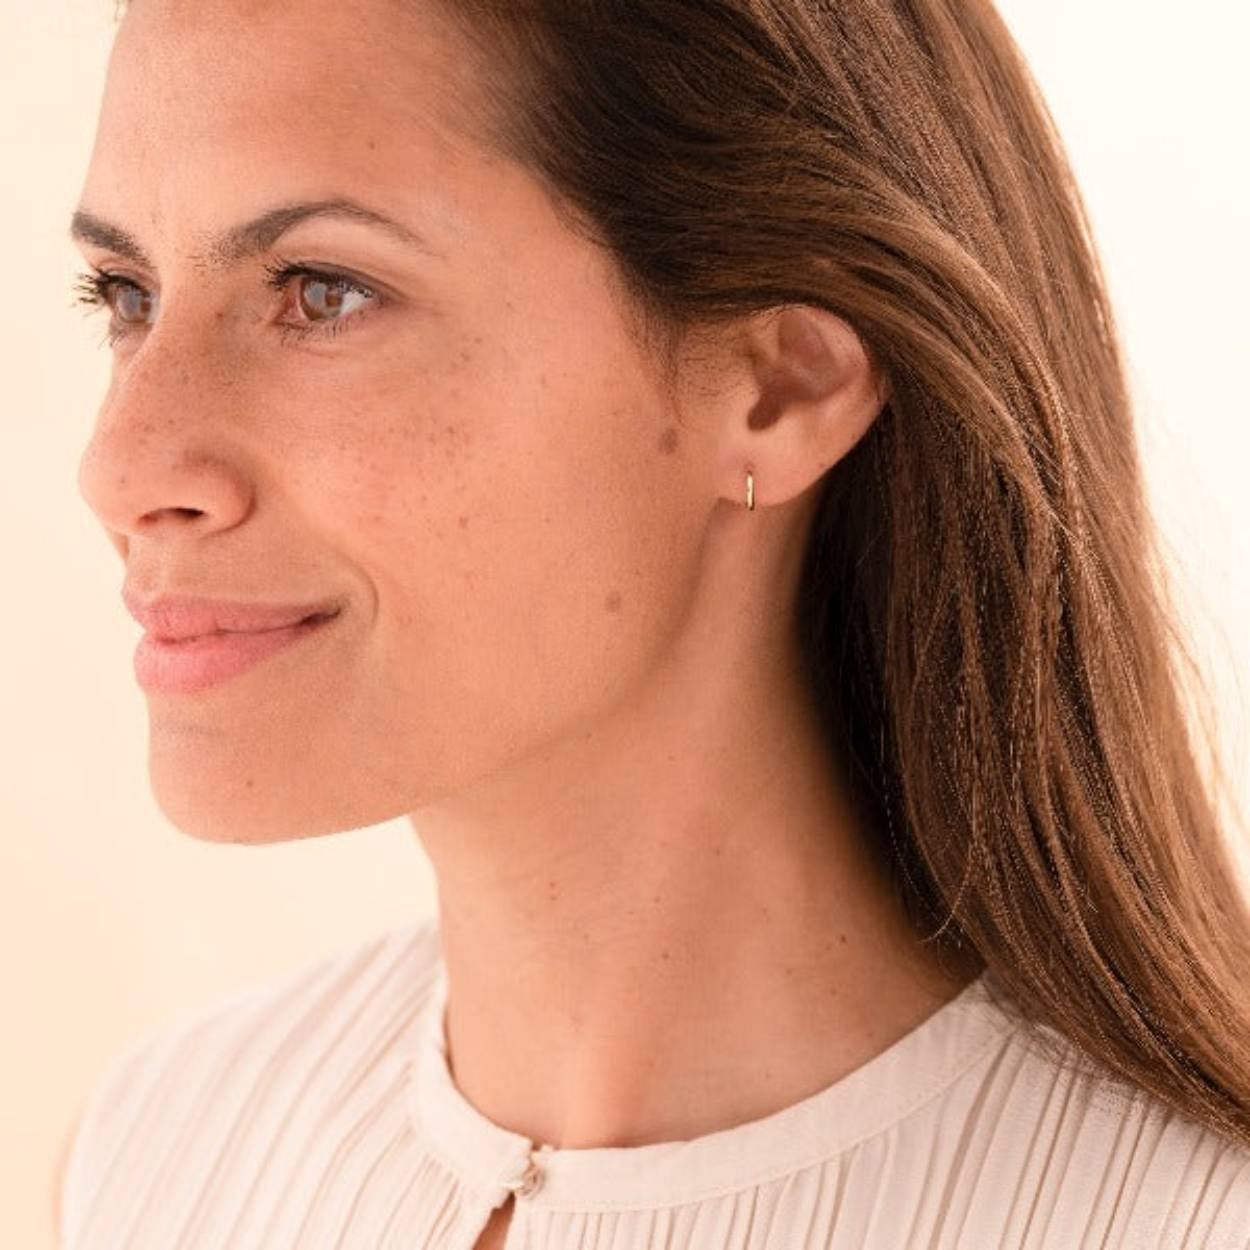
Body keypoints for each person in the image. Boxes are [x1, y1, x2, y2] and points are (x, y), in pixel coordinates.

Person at [56, 0, 1250, 1246]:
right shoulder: (166, 1151)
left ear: (781, 385)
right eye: (126, 294)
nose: (120, 464)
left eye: (324, 292)